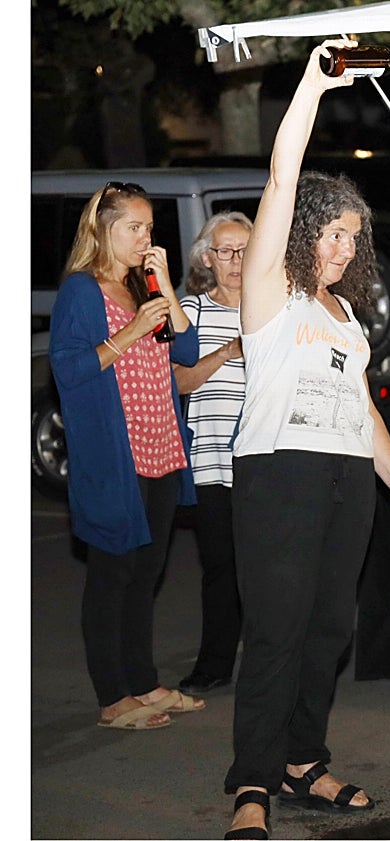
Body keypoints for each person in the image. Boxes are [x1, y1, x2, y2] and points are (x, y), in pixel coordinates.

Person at [222, 39, 390, 840]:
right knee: (278, 628)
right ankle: (251, 779)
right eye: (329, 234)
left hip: (345, 479)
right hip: (277, 474)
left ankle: (300, 760)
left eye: (352, 238)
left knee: (328, 628)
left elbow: (364, 413)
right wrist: (314, 86)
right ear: (300, 237)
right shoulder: (269, 295)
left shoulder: (346, 319)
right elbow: (284, 176)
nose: (341, 249)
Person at [49, 181, 206, 731]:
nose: (145, 238)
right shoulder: (81, 291)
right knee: (112, 576)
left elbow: (185, 352)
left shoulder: (145, 286)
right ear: (103, 228)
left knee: (146, 573)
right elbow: (67, 368)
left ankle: (144, 683)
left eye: (149, 228)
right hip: (117, 455)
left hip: (161, 447)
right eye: (133, 228)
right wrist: (132, 331)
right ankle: (114, 697)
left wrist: (162, 287)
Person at [173, 212, 253, 696]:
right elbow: (177, 382)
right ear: (207, 258)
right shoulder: (191, 311)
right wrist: (225, 353)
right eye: (225, 251)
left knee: (269, 569)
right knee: (221, 565)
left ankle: (273, 665)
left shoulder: (275, 308)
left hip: (266, 458)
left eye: (245, 249)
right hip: (211, 459)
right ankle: (215, 663)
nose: (236, 260)